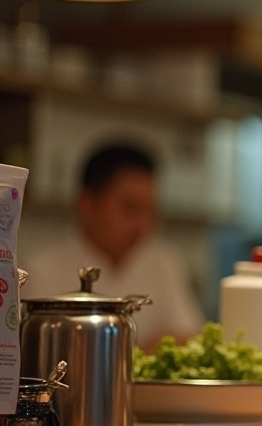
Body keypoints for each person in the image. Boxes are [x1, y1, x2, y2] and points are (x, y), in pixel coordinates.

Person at [23, 144, 204, 352]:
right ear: (86, 203)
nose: (142, 224)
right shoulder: (39, 268)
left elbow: (190, 337)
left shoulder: (163, 260)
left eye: (151, 211)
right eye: (130, 208)